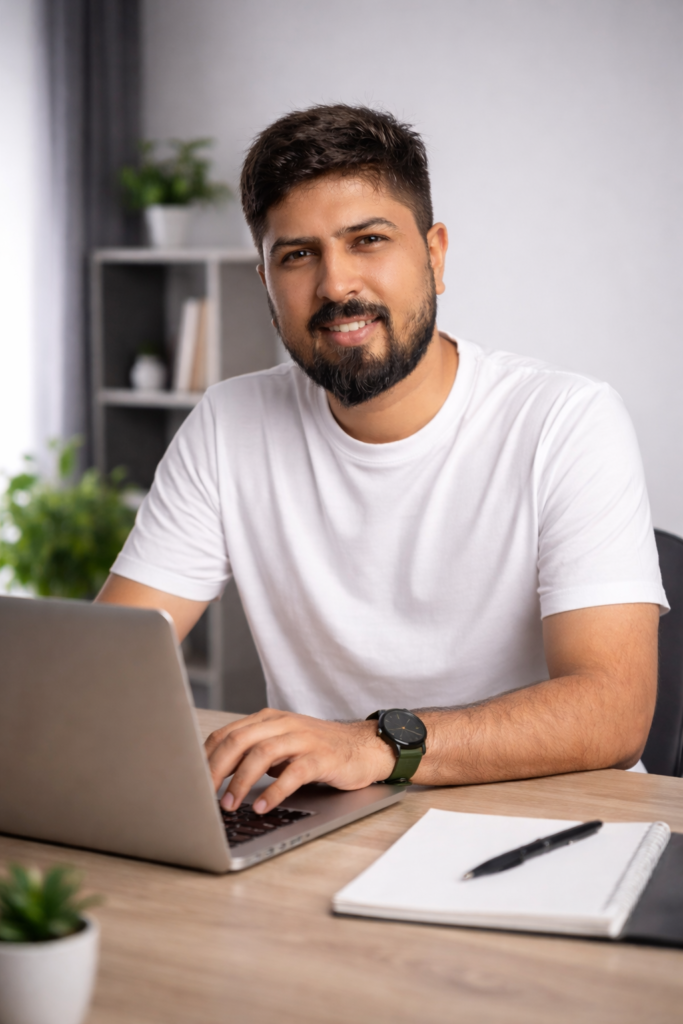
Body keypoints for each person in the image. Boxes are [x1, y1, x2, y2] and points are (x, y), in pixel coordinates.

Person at [97, 104, 667, 817]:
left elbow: (612, 711)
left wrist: (373, 745)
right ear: (265, 281)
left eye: (367, 240)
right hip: (326, 826)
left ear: (434, 254)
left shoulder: (565, 419)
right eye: (297, 254)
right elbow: (105, 671)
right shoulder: (228, 423)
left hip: (552, 825)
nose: (336, 285)